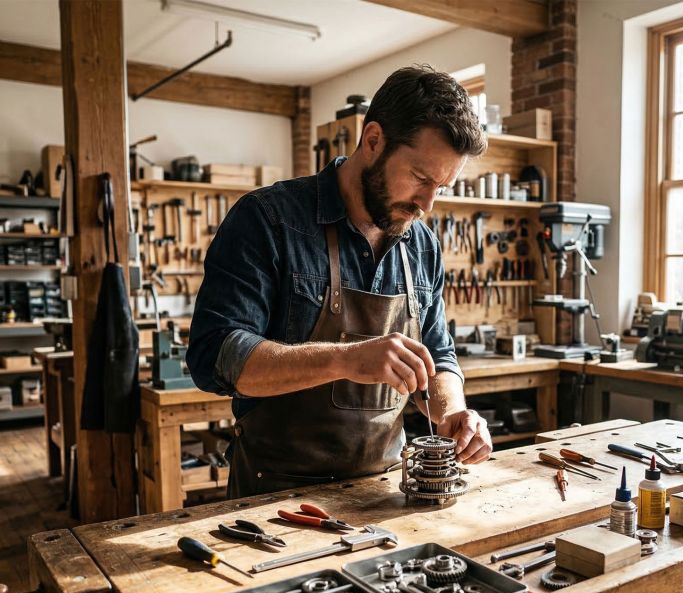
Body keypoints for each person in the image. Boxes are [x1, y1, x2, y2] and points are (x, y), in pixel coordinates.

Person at [186, 64, 492, 498]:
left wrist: (452, 413)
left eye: (441, 187)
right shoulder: (268, 219)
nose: (427, 204)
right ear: (373, 141)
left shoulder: (422, 244)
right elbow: (214, 355)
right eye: (421, 179)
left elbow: (438, 355)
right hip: (274, 496)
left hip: (386, 491)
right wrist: (346, 359)